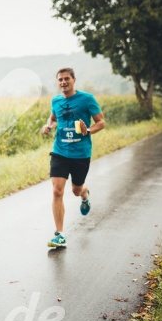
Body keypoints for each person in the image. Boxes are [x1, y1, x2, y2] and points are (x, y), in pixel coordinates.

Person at [41, 67, 105, 248]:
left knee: (75, 190)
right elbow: (53, 118)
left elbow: (101, 122)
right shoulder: (56, 100)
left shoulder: (87, 99)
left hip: (81, 154)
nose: (63, 82)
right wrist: (49, 126)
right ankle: (59, 235)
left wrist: (89, 130)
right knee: (57, 190)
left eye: (66, 79)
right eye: (60, 79)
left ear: (74, 80)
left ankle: (84, 194)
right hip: (60, 151)